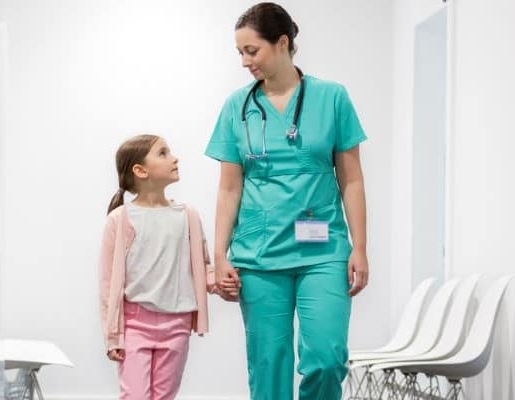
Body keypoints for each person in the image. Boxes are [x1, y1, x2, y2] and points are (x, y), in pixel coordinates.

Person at [205, 3, 370, 399]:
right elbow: (229, 188)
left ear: (282, 43)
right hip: (260, 254)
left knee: (327, 359)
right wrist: (220, 255)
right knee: (268, 365)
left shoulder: (332, 97)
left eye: (252, 51)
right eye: (240, 53)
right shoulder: (236, 106)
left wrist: (360, 247)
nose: (245, 61)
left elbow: (351, 178)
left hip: (323, 250)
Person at [98, 134, 223, 400]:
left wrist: (222, 281)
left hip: (176, 325)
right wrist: (113, 336)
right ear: (140, 170)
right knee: (135, 396)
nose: (174, 158)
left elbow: (203, 267)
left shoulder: (188, 215)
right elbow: (108, 285)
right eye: (163, 153)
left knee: (164, 396)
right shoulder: (119, 220)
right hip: (134, 325)